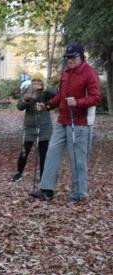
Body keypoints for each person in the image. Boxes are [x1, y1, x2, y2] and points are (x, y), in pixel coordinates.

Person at [30, 43, 101, 202]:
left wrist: (78, 102)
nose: (69, 60)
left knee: (77, 159)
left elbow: (96, 98)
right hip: (62, 120)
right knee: (52, 152)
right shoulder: (66, 73)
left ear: (82, 57)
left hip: (79, 123)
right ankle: (47, 190)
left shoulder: (90, 73)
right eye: (67, 58)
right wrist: (47, 106)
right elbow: (61, 96)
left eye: (72, 57)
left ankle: (79, 194)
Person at [12, 72, 53, 182]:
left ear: (42, 82)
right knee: (24, 151)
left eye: (38, 81)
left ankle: (43, 176)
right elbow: (19, 107)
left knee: (43, 153)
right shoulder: (27, 92)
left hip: (44, 126)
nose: (36, 83)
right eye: (34, 81)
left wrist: (44, 88)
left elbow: (56, 94)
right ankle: (19, 173)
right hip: (29, 127)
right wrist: (25, 100)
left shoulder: (46, 93)